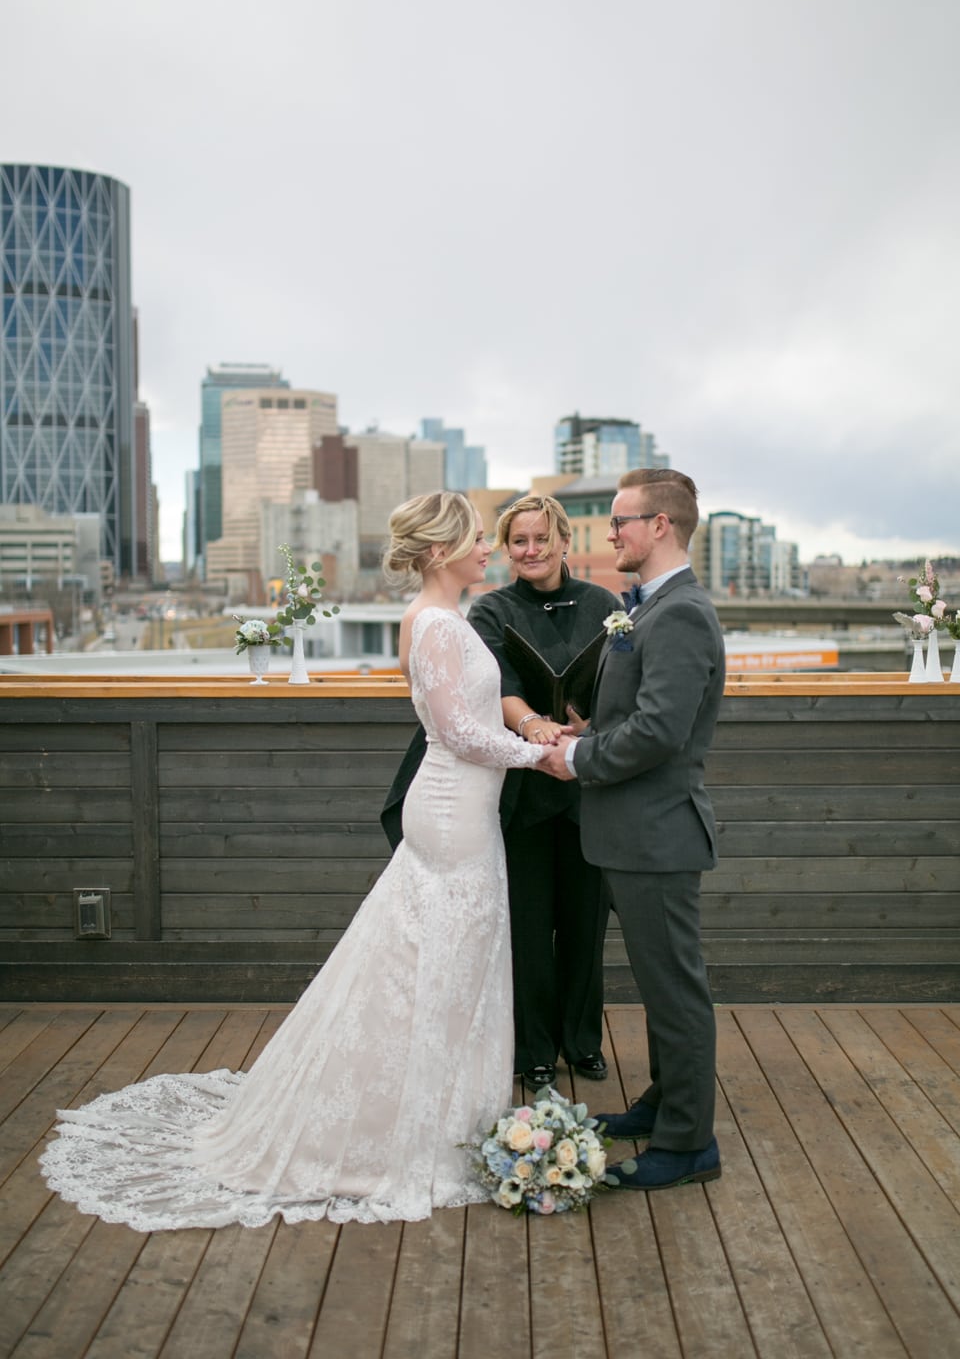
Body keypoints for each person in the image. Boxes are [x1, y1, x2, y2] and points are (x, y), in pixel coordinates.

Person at [39, 493, 551, 1230]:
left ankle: (444, 1113)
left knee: (450, 962)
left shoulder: (452, 620)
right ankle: (410, 1129)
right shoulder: (434, 625)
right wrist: (542, 756)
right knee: (436, 961)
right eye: (477, 539)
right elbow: (462, 735)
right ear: (439, 551)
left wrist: (530, 742)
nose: (488, 550)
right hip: (447, 812)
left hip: (467, 815)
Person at [539, 468, 725, 1191]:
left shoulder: (679, 612)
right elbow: (637, 717)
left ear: (661, 527)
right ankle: (664, 1103)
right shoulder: (649, 608)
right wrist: (591, 728)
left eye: (621, 521)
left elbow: (661, 731)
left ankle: (688, 1145)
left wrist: (579, 757)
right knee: (658, 984)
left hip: (658, 835)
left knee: (676, 990)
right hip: (630, 832)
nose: (610, 533)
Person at [466, 494, 624, 1091]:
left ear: (563, 541)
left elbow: (620, 683)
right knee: (528, 929)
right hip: (523, 790)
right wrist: (534, 726)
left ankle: (582, 1043)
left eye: (539, 539)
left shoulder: (605, 605)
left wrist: (588, 728)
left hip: (587, 786)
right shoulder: (490, 609)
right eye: (518, 542)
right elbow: (496, 686)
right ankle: (532, 1050)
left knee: (586, 927)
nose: (529, 551)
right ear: (508, 549)